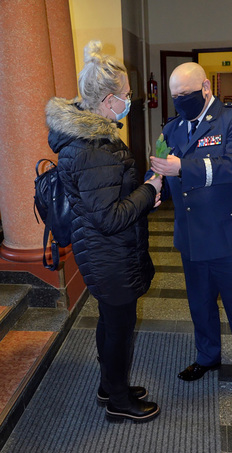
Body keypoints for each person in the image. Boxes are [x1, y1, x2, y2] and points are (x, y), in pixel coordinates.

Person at [45, 41, 162, 422]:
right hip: (108, 254)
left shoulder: (91, 137)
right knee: (119, 329)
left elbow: (105, 197)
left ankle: (109, 385)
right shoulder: (93, 147)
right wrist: (149, 191)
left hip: (104, 251)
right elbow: (109, 218)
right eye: (126, 95)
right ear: (109, 100)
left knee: (111, 323)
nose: (131, 100)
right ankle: (119, 402)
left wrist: (140, 195)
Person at [150, 62, 232, 410]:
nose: (180, 101)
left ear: (205, 88)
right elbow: (158, 166)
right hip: (192, 236)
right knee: (200, 306)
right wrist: (153, 189)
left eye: (185, 95)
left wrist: (183, 168)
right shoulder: (171, 129)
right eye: (174, 97)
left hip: (230, 237)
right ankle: (208, 356)